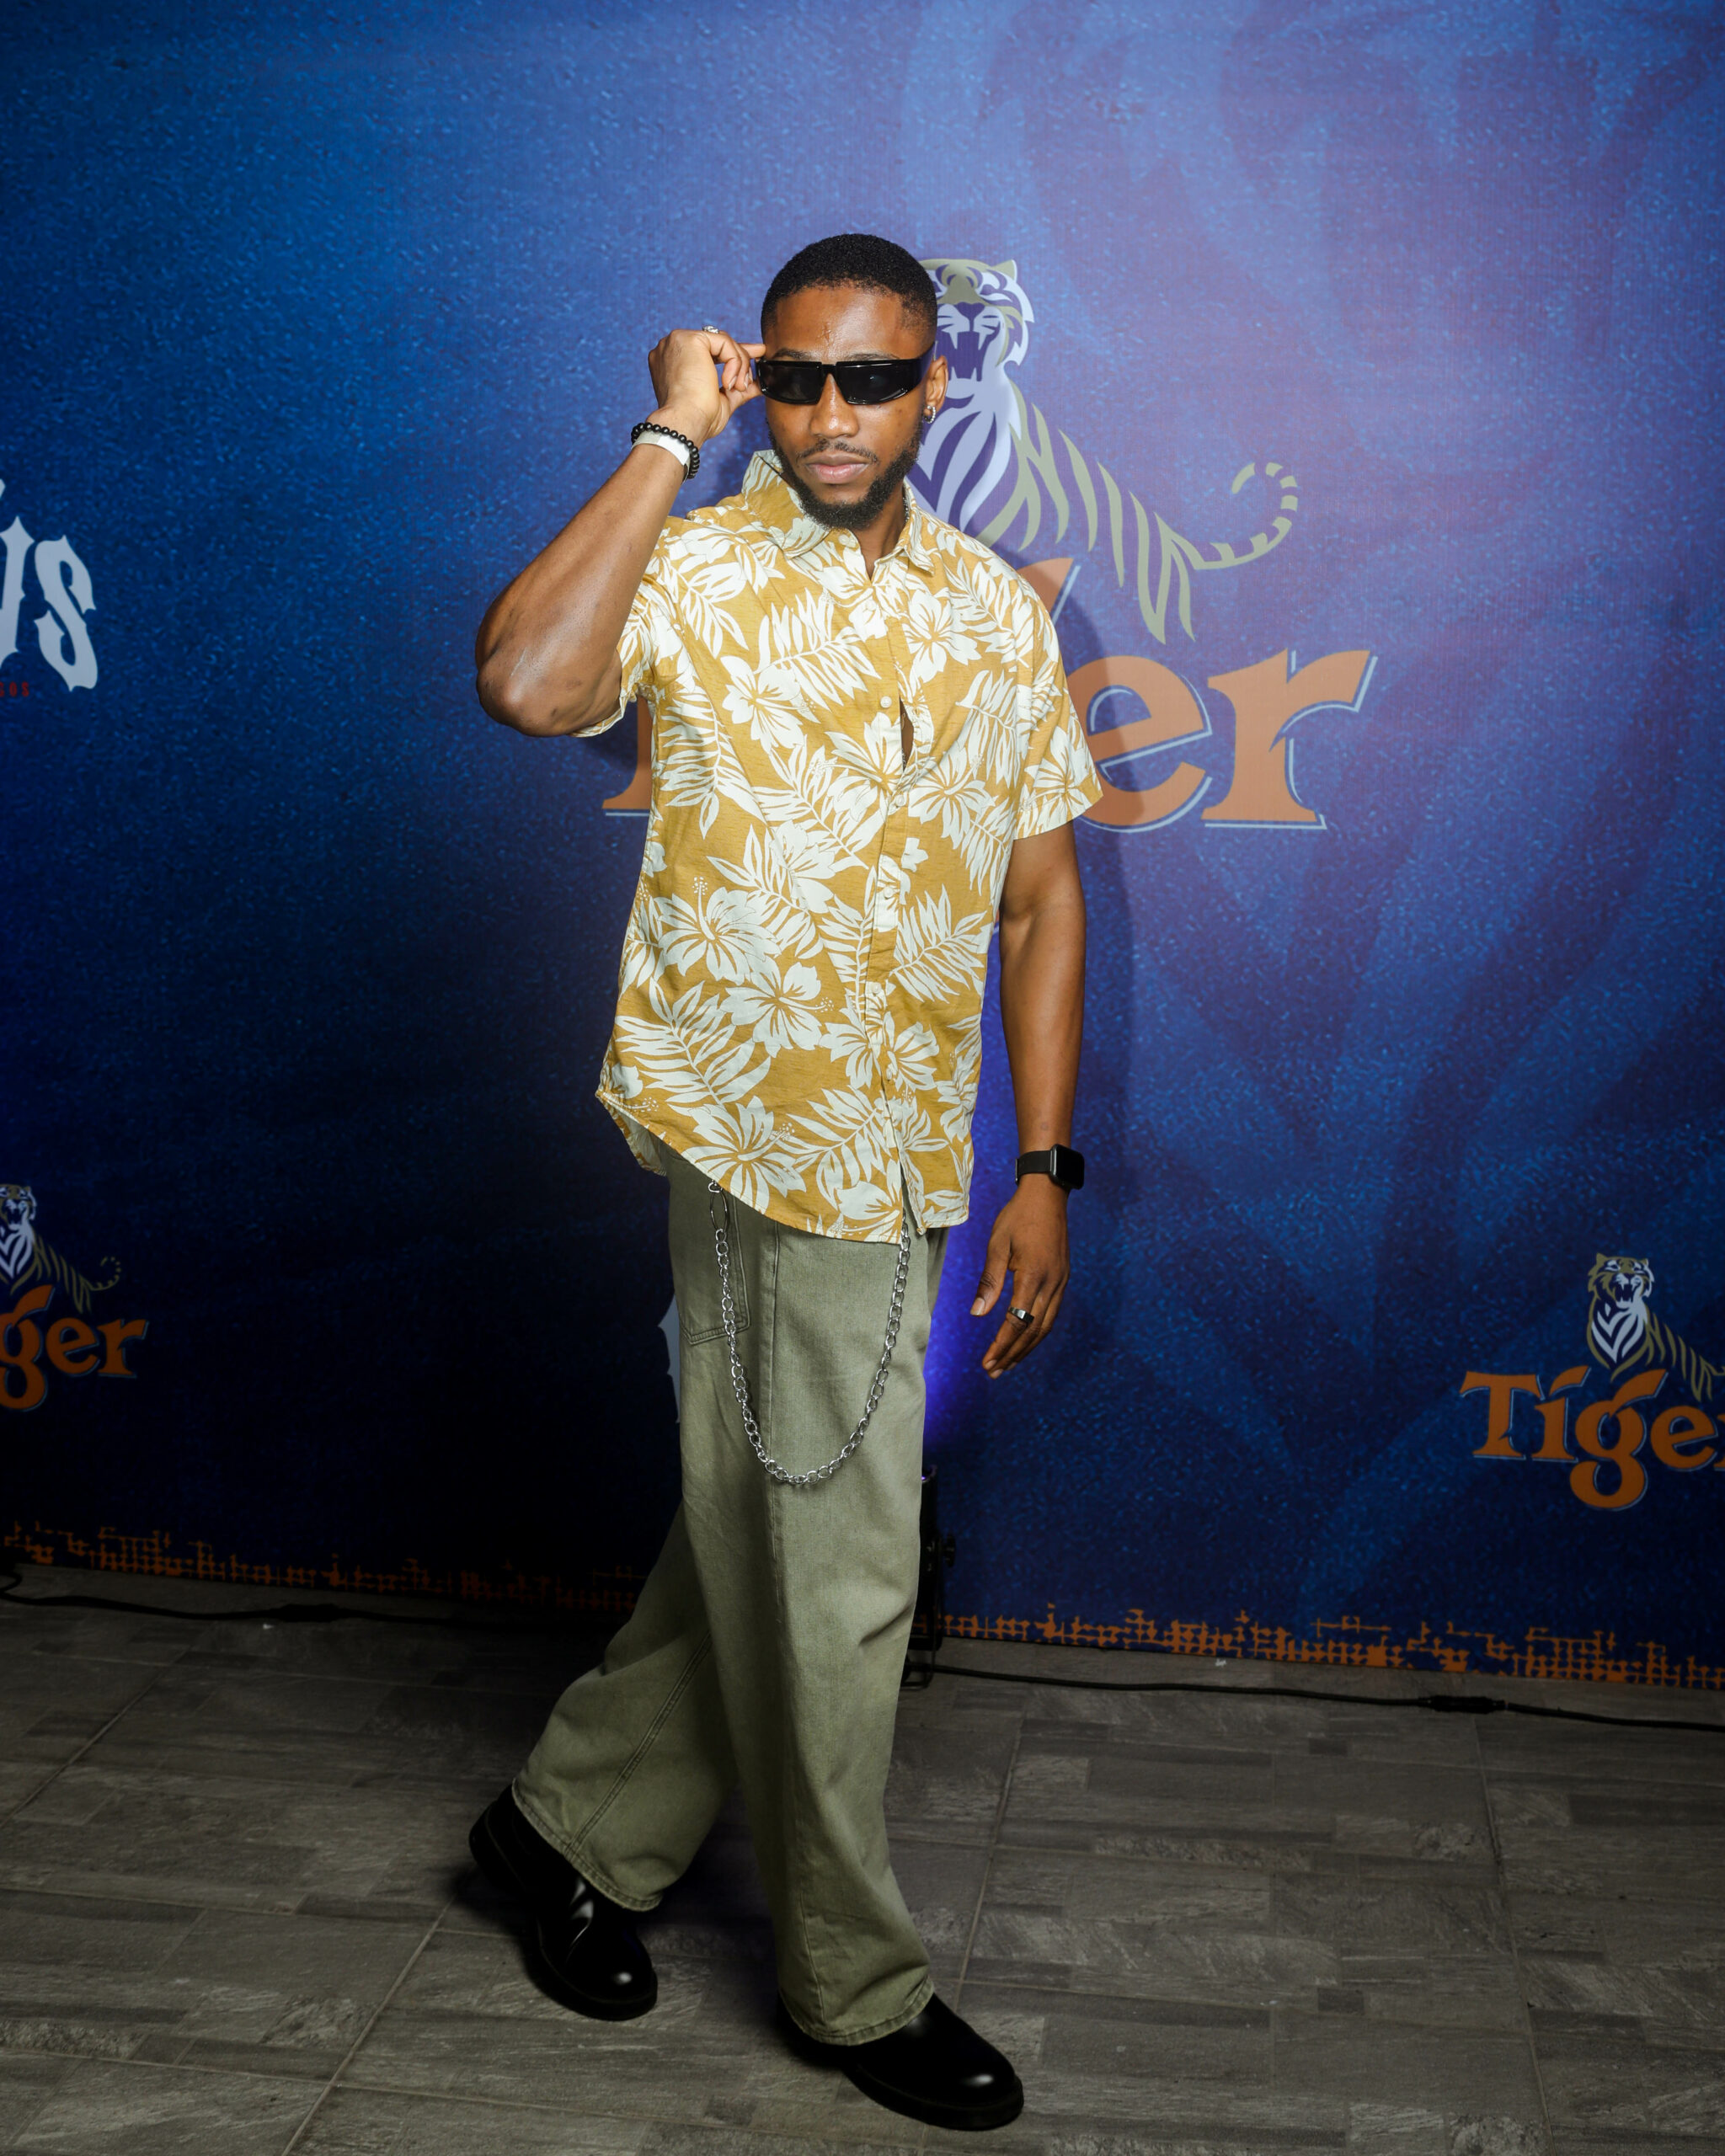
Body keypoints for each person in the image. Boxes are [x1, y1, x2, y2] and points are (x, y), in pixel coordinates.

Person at [471, 232, 1095, 2135]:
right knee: (840, 1579)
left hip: (903, 1151)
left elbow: (1040, 901)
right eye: (797, 377)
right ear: (760, 377)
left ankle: (561, 1829)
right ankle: (853, 1982)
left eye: (873, 379)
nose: (833, 414)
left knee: (761, 1518)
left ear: (932, 387)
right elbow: (526, 681)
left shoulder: (992, 611)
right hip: (752, 1141)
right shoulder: (692, 561)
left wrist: (1043, 1163)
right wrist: (670, 434)